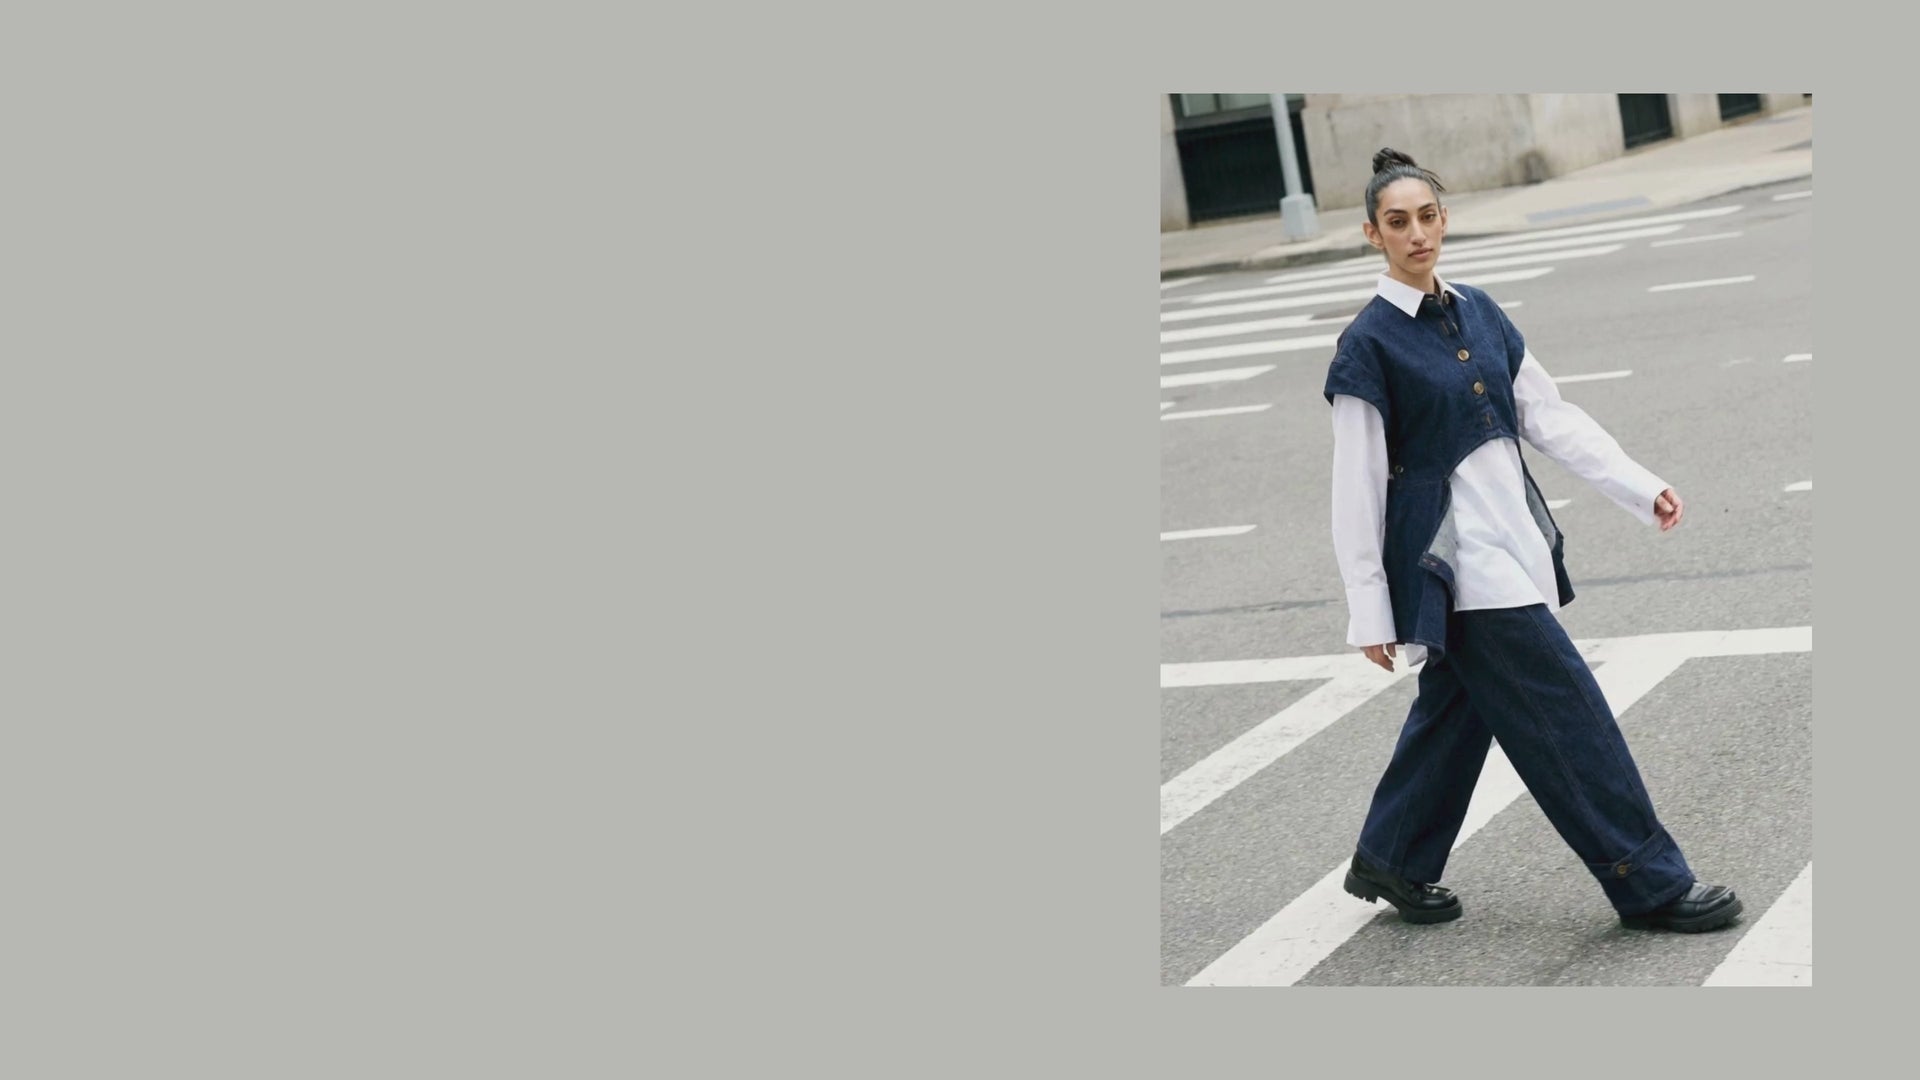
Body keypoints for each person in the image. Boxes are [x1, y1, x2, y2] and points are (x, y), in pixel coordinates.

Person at [1322, 148, 1741, 933]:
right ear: (1373, 235)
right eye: (1397, 223)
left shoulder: (1479, 310)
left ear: (1444, 219)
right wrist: (1369, 609)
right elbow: (1356, 486)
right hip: (1455, 565)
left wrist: (1636, 483)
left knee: (1457, 709)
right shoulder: (1368, 345)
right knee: (1567, 716)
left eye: (1427, 217)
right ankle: (1648, 882)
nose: (1417, 234)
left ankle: (1394, 856)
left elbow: (1546, 414)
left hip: (1510, 541)